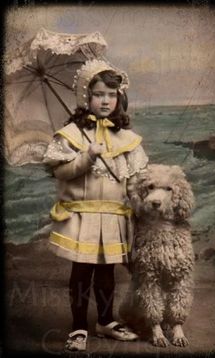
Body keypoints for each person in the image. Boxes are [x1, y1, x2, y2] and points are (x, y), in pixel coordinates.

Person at [43, 59, 149, 352]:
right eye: (99, 94)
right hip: (84, 215)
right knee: (82, 272)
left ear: (119, 97)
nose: (105, 101)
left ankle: (105, 320)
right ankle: (78, 326)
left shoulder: (125, 137)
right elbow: (61, 172)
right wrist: (87, 156)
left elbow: (131, 180)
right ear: (85, 97)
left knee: (107, 272)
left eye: (111, 95)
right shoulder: (74, 135)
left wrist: (137, 198)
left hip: (113, 215)